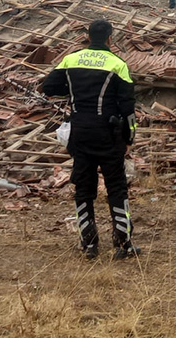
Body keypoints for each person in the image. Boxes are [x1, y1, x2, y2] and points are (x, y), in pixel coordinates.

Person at [39, 19, 139, 260]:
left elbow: (48, 87)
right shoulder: (117, 64)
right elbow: (128, 108)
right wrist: (129, 138)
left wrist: (74, 91)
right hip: (108, 133)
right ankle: (123, 244)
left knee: (83, 187)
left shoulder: (71, 59)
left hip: (80, 132)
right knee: (116, 187)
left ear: (88, 37)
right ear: (109, 39)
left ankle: (89, 243)